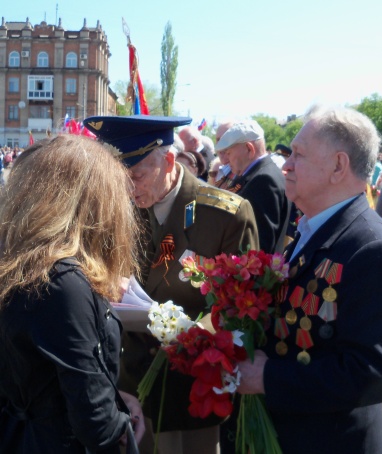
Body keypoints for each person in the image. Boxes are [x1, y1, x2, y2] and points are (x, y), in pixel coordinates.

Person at [83, 115, 259, 454]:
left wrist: (185, 331)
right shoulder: (117, 209)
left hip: (191, 390)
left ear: (167, 161)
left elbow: (240, 310)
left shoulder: (225, 215)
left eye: (136, 176)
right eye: (119, 178)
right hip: (129, 386)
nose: (127, 188)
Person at [236, 105, 382, 453]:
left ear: (339, 166)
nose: (286, 164)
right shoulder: (310, 227)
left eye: (299, 154)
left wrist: (268, 377)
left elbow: (372, 374)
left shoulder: (373, 249)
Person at [0, 134, 145, 453]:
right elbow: (95, 424)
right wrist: (123, 421)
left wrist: (115, 399)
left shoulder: (16, 260)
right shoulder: (61, 281)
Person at [215, 119, 291, 254]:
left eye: (229, 153)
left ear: (249, 149)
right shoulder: (260, 174)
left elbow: (259, 245)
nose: (226, 159)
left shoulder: (263, 180)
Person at [214, 121, 235, 190]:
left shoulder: (244, 172)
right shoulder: (221, 171)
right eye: (218, 140)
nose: (220, 146)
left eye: (225, 140)